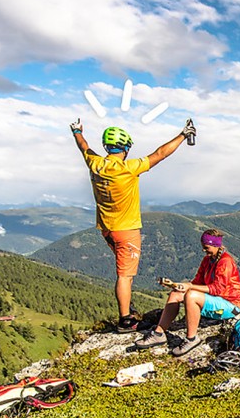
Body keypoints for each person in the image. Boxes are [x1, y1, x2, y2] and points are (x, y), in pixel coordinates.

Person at [70, 118, 196, 333]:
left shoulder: (95, 163)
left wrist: (76, 132)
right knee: (125, 276)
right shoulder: (129, 168)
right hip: (126, 230)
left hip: (106, 228)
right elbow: (160, 154)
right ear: (126, 148)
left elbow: (84, 147)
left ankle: (126, 308)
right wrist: (183, 135)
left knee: (123, 272)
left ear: (106, 147)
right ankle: (126, 320)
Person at [136, 229, 240, 356]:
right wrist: (179, 286)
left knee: (191, 295)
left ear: (216, 246)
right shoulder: (207, 260)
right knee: (175, 294)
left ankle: (192, 339)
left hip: (232, 305)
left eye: (206, 247)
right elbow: (198, 282)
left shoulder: (225, 262)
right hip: (215, 300)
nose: (204, 250)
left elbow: (217, 289)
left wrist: (190, 287)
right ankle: (159, 333)